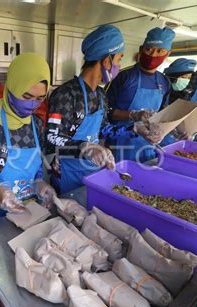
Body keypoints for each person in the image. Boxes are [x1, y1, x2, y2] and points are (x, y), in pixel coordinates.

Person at [46, 25, 161, 194]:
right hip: (67, 174)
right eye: (119, 59)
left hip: (92, 171)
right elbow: (51, 138)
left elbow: (105, 129)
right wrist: (84, 147)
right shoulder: (65, 94)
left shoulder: (100, 95)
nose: (119, 66)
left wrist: (135, 129)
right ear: (106, 60)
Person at [0, 53, 56, 225]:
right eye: (26, 96)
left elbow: (36, 166)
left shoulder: (36, 124)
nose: (32, 105)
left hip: (28, 213)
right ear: (12, 86)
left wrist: (39, 183)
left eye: (39, 99)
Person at [106, 27, 175, 162]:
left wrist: (174, 130)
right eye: (149, 49)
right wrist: (134, 115)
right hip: (120, 144)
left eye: (159, 51)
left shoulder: (164, 82)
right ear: (141, 49)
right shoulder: (123, 77)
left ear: (167, 54)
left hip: (148, 146)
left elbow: (164, 114)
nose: (153, 55)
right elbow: (105, 112)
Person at [160, 57, 197, 145]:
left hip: (176, 139)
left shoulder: (184, 94)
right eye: (183, 77)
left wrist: (189, 132)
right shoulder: (161, 92)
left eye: (189, 77)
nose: (186, 80)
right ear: (173, 77)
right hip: (158, 137)